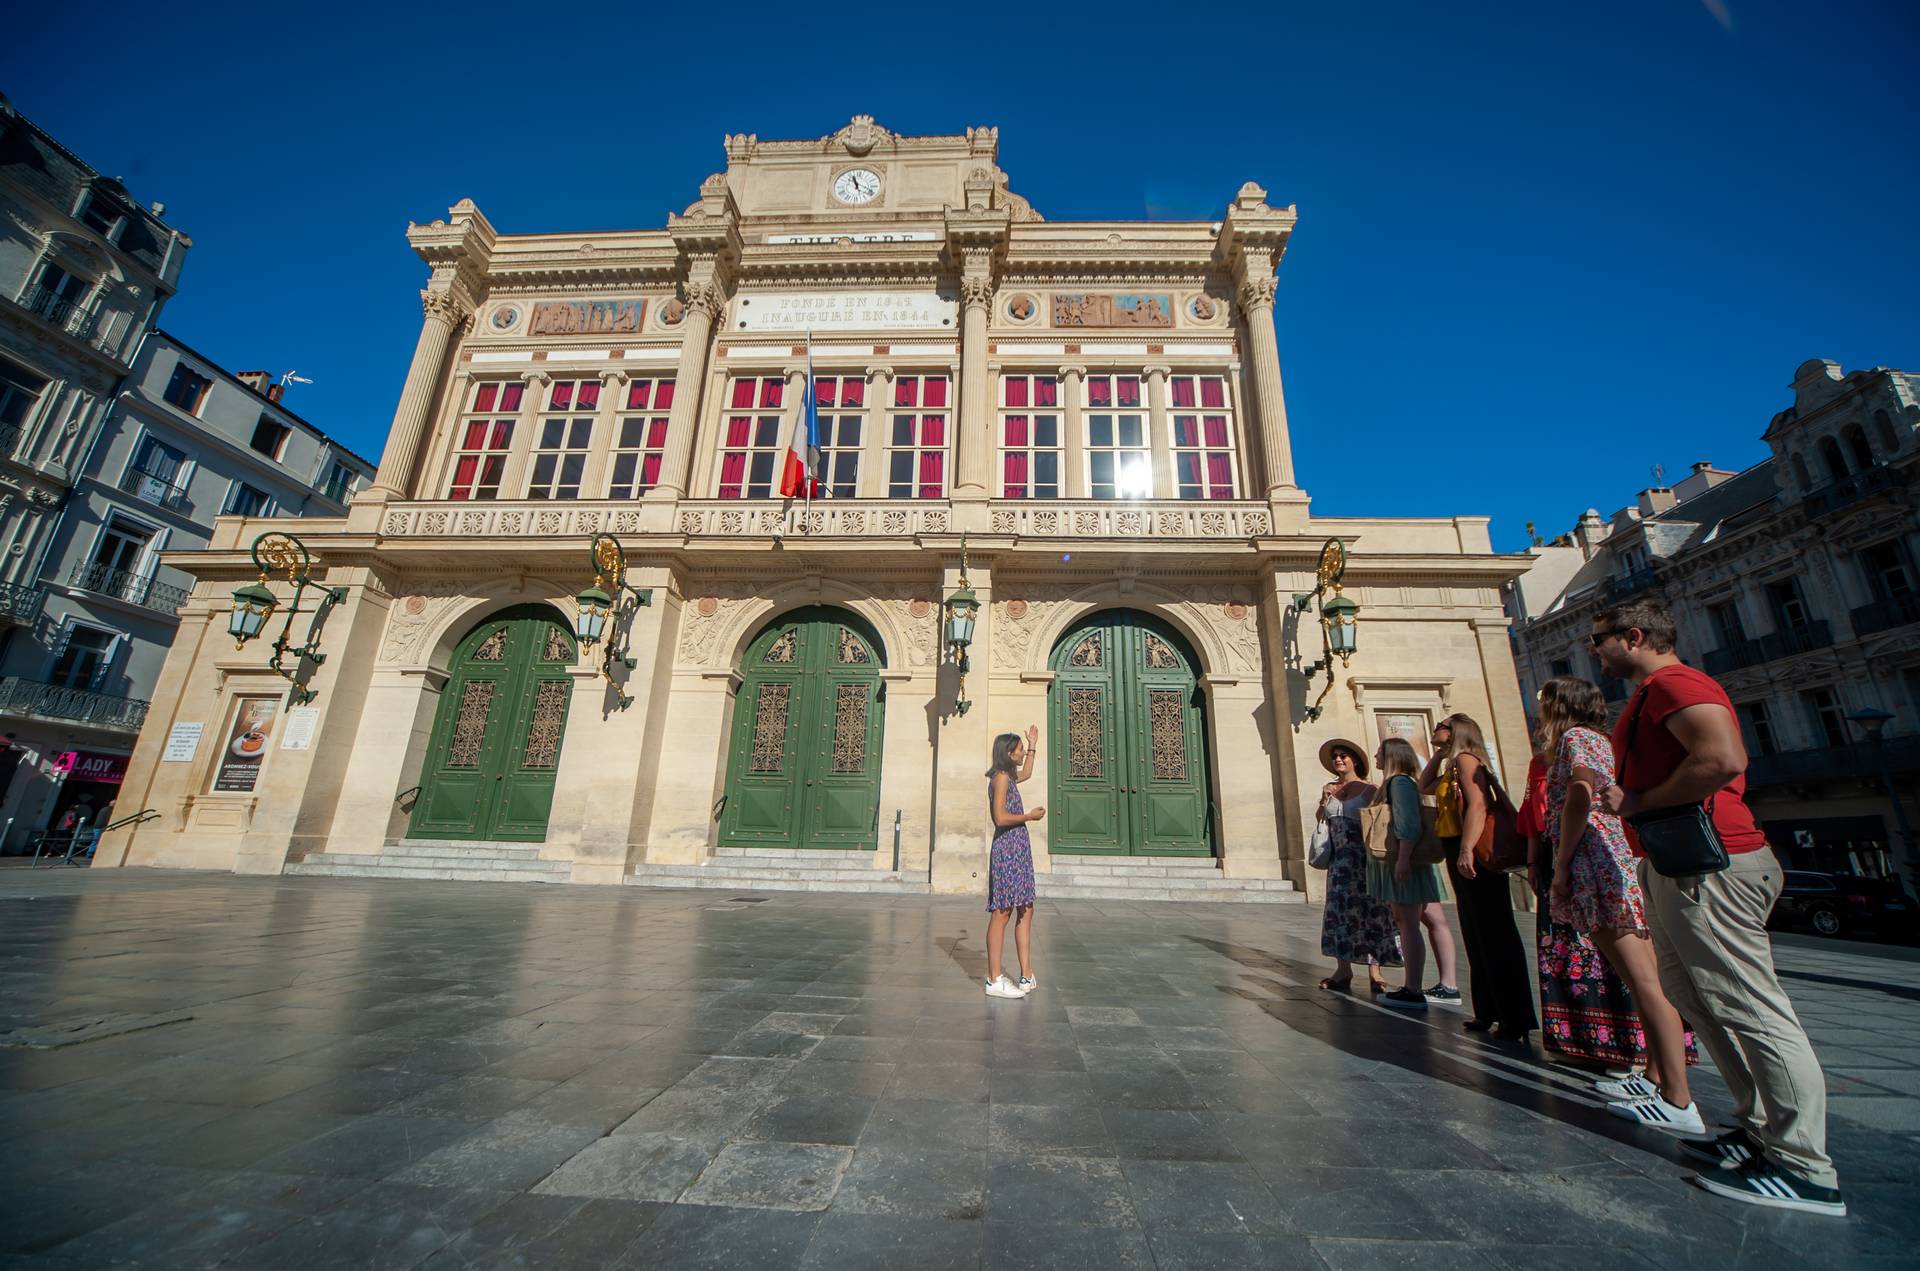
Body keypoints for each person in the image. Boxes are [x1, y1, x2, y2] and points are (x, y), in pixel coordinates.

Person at [1594, 601, 1844, 1215]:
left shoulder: (1675, 682)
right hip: (1678, 863)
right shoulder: (1653, 690)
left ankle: (1805, 1165)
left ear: (1634, 636)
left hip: (1714, 861)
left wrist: (1638, 800)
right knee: (1697, 993)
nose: (1595, 651)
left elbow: (1724, 758)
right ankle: (1759, 1132)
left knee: (1748, 1003)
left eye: (1600, 640)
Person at [1534, 676, 1700, 1131]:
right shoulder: (1603, 740)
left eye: (1545, 701)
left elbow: (1580, 796)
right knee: (1643, 977)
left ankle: (1678, 1099)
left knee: (1644, 980)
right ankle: (1653, 1074)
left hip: (1596, 863)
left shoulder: (1575, 738)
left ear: (1560, 705)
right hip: (1616, 859)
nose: (1540, 709)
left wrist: (1563, 864)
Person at [1420, 714, 1537, 1041]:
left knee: (1493, 931)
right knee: (1474, 930)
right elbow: (1423, 785)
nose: (1435, 729)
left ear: (1456, 730)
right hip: (1460, 847)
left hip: (1475, 852)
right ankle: (1487, 1009)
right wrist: (1440, 754)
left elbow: (1478, 807)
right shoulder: (1453, 763)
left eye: (1441, 724)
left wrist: (1467, 849)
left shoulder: (1468, 761)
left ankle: (1513, 1017)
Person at [1365, 736, 1458, 1009]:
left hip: (1405, 862)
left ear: (1391, 756)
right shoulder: (1404, 783)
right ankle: (1448, 985)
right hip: (1413, 863)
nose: (1376, 757)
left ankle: (1413, 988)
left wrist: (1402, 860)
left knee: (1407, 921)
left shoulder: (1399, 783)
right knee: (1433, 919)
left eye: (1380, 752)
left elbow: (1408, 824)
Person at [1314, 739, 1399, 992]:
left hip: (1364, 859)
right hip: (1339, 861)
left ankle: (1376, 971)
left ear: (1355, 761)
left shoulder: (1369, 790)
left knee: (1371, 911)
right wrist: (1323, 801)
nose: (1338, 759)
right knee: (1339, 912)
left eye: (1343, 756)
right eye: (1336, 756)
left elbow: (1380, 822)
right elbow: (1322, 820)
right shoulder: (1331, 789)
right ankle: (1343, 970)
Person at [984, 727, 1043, 999]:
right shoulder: (1000, 779)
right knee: (1002, 911)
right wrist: (1029, 816)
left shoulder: (1009, 776)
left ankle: (1026, 973)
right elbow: (1000, 818)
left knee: (1026, 908)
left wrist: (1032, 745)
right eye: (1019, 749)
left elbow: (1028, 772)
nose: (1021, 754)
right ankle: (994, 979)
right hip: (1007, 848)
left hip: (1019, 847)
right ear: (1008, 753)